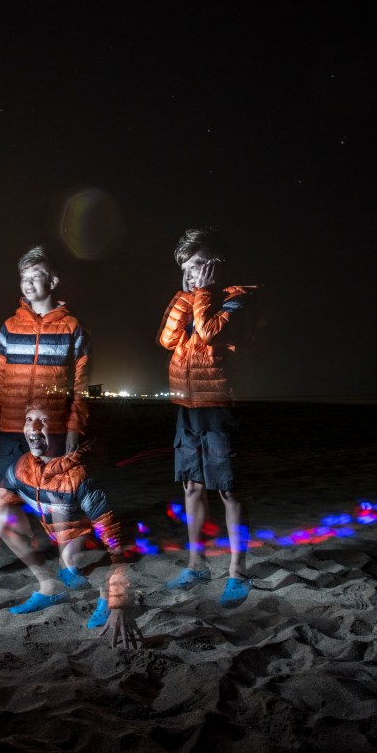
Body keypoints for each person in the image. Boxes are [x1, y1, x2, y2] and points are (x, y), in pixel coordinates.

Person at [0, 403, 141, 648]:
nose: (34, 427)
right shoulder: (22, 467)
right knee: (2, 515)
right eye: (29, 419)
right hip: (56, 534)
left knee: (81, 557)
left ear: (61, 429)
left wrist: (118, 599)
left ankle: (103, 595)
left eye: (43, 421)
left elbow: (115, 541)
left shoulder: (81, 475)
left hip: (90, 538)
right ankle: (49, 586)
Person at [0, 245, 92, 589]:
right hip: (11, 427)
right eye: (23, 277)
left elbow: (81, 385)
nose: (28, 283)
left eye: (36, 276)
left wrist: (74, 427)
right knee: (1, 495)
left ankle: (68, 566)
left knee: (59, 499)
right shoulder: (9, 327)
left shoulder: (72, 327)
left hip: (51, 428)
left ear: (52, 281)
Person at [157, 227, 257, 608]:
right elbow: (167, 339)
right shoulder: (191, 297)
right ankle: (197, 566)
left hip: (219, 406)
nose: (190, 273)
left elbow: (208, 332)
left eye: (197, 264)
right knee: (192, 487)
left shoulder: (236, 299)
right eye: (185, 267)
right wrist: (185, 296)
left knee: (228, 488)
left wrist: (201, 294)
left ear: (216, 264)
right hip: (187, 406)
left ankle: (237, 571)